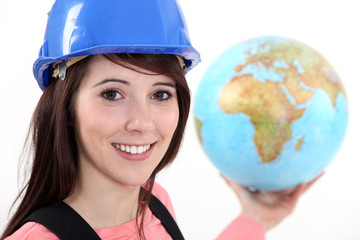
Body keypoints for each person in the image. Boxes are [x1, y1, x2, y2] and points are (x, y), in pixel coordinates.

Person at [1, 0, 321, 239]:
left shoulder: (154, 202)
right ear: (67, 107)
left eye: (160, 94)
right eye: (112, 94)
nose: (142, 122)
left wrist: (256, 218)